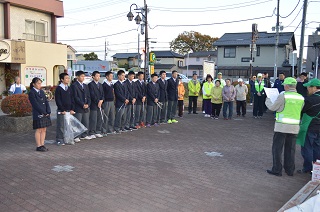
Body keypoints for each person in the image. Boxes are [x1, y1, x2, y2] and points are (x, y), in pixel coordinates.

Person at [265, 77, 304, 176]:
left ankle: (277, 169)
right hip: (294, 127)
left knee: (277, 149)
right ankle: (290, 170)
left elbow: (273, 107)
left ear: (286, 86)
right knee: (291, 149)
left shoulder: (284, 96)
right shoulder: (301, 97)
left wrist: (268, 100)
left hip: (282, 126)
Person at [296, 78, 320, 174]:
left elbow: (301, 111)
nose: (307, 89)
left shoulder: (310, 100)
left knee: (307, 148)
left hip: (310, 126)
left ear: (314, 88)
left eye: (309, 87)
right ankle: (317, 168)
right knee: (317, 148)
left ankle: (308, 168)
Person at [28, 77, 51, 152]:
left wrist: (48, 111)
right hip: (38, 113)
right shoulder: (32, 92)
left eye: (40, 83)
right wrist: (43, 112)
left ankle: (42, 144)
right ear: (33, 84)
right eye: (38, 83)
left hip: (45, 112)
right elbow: (35, 104)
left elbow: (46, 101)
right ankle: (38, 145)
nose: (39, 85)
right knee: (39, 129)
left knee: (44, 129)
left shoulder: (41, 91)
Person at [55, 73, 75, 146]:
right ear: (62, 79)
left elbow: (72, 99)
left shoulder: (69, 88)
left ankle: (68, 139)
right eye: (66, 78)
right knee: (61, 125)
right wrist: (62, 109)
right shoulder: (59, 88)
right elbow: (58, 100)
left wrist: (72, 108)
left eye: (68, 78)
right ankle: (59, 139)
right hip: (62, 111)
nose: (68, 79)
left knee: (68, 125)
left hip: (69, 110)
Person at [71, 71, 92, 141]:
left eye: (84, 76)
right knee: (78, 122)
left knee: (86, 121)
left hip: (86, 107)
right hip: (78, 106)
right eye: (81, 76)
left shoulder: (85, 85)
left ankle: (85, 134)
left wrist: (88, 104)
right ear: (77, 77)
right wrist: (82, 104)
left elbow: (89, 96)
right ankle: (77, 136)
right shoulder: (74, 85)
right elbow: (75, 97)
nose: (83, 78)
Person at [88, 71, 104, 139]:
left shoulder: (100, 85)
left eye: (99, 76)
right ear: (93, 77)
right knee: (93, 119)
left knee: (99, 118)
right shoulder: (90, 85)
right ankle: (92, 132)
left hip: (100, 104)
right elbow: (92, 94)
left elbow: (103, 94)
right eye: (97, 76)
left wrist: (101, 100)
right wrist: (97, 101)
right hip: (94, 104)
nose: (98, 77)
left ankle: (98, 131)